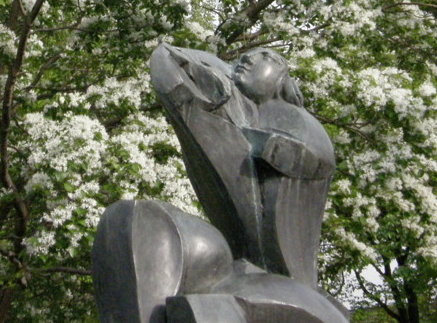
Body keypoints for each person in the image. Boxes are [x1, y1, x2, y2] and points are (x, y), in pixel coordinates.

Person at [92, 45, 348, 323]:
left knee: (212, 308)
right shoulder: (233, 112)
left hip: (283, 280)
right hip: (232, 263)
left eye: (264, 56)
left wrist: (257, 141)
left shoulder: (300, 122)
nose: (246, 58)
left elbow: (305, 159)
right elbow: (169, 57)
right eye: (239, 58)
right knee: (131, 219)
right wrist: (224, 72)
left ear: (282, 76)